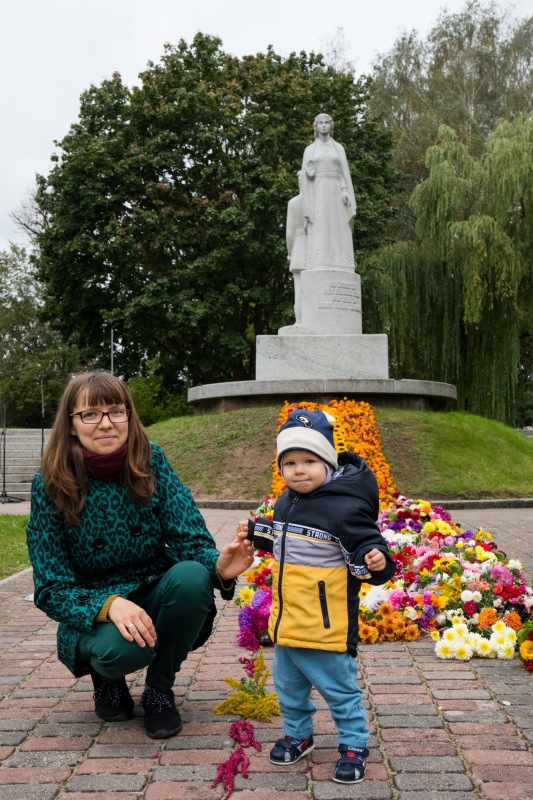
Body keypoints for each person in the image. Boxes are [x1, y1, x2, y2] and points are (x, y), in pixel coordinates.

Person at [26, 371, 254, 739]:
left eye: (117, 411)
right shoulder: (50, 483)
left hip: (152, 589)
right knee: (123, 652)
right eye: (90, 414)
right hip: (94, 606)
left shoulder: (151, 460)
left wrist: (220, 566)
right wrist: (108, 605)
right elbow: (51, 587)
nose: (106, 423)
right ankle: (106, 676)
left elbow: (189, 537)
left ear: (129, 416)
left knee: (193, 576)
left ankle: (159, 690)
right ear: (70, 424)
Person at [237, 409, 395, 784]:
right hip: (288, 619)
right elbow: (284, 538)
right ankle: (299, 733)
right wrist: (259, 532)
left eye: (309, 461)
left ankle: (354, 744)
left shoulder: (345, 507)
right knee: (288, 687)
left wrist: (375, 560)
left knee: (339, 690)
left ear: (327, 460)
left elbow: (370, 546)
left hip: (326, 625)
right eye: (289, 462)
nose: (299, 470)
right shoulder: (285, 501)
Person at [298, 113, 356, 271]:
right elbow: (302, 174)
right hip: (318, 192)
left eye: (326, 122)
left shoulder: (338, 148)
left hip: (336, 190)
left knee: (338, 224)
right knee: (320, 225)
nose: (324, 125)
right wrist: (307, 174)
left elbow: (343, 172)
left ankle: (341, 262)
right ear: (316, 127)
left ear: (331, 126)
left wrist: (345, 190)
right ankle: (319, 261)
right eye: (320, 123)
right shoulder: (309, 150)